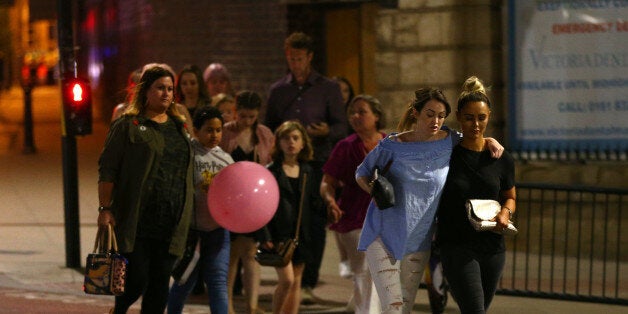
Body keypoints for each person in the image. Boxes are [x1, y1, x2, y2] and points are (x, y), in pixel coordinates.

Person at [355, 88, 504, 313]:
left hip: (419, 241)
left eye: (441, 115)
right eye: (430, 114)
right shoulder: (392, 145)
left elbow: (474, 139)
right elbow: (362, 172)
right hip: (383, 236)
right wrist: (373, 192)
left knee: (405, 307)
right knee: (393, 308)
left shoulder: (448, 141)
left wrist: (491, 140)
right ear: (416, 113)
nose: (436, 120)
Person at [97, 65, 194, 314]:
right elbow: (108, 168)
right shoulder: (128, 125)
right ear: (146, 91)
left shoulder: (179, 126)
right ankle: (118, 311)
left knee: (160, 283)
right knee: (137, 278)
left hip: (171, 219)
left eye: (170, 89)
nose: (166, 93)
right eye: (160, 88)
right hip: (137, 217)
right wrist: (105, 208)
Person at [265, 31, 347, 303]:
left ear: (309, 58)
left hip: (316, 161)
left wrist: (326, 130)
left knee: (314, 221)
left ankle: (308, 281)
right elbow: (269, 124)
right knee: (286, 217)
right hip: (286, 163)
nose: (295, 64)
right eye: (291, 59)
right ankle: (288, 275)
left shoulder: (328, 88)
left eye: (300, 58)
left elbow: (341, 126)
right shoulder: (279, 90)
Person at [436, 76, 516, 314]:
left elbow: (510, 196)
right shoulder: (445, 155)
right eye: (469, 118)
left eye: (481, 118)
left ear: (489, 116)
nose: (476, 124)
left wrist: (505, 212)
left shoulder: (500, 158)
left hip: (492, 247)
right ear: (459, 117)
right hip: (456, 245)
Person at [320, 94, 385, 313]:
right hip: (354, 216)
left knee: (378, 272)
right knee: (365, 268)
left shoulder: (390, 144)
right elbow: (326, 183)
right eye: (352, 113)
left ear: (376, 116)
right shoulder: (345, 147)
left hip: (386, 216)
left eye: (362, 111)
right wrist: (330, 201)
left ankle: (358, 307)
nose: (356, 116)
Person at [167, 105, 233, 314]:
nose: (215, 135)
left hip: (218, 232)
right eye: (209, 130)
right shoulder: (187, 154)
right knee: (183, 282)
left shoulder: (227, 160)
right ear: (196, 131)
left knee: (218, 284)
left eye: (219, 130)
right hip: (191, 234)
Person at [220, 90, 275, 314]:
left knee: (252, 254)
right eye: (242, 116)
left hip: (254, 202)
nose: (246, 121)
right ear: (235, 110)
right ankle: (229, 306)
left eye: (251, 117)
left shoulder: (263, 134)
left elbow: (270, 164)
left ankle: (252, 305)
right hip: (229, 200)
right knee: (231, 255)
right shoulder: (225, 132)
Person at [260, 120, 320, 314]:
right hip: (280, 233)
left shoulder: (308, 171)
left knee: (296, 282)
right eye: (286, 138)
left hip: (301, 232)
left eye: (295, 138)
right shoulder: (272, 171)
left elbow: (313, 204)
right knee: (287, 280)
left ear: (303, 143)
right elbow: (263, 206)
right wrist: (266, 235)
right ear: (278, 143)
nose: (291, 142)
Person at [329, 76, 356, 278]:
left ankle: (350, 259)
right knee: (338, 215)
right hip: (336, 168)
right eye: (337, 90)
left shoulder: (355, 115)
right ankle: (344, 258)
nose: (341, 95)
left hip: (355, 171)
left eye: (345, 91)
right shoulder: (330, 115)